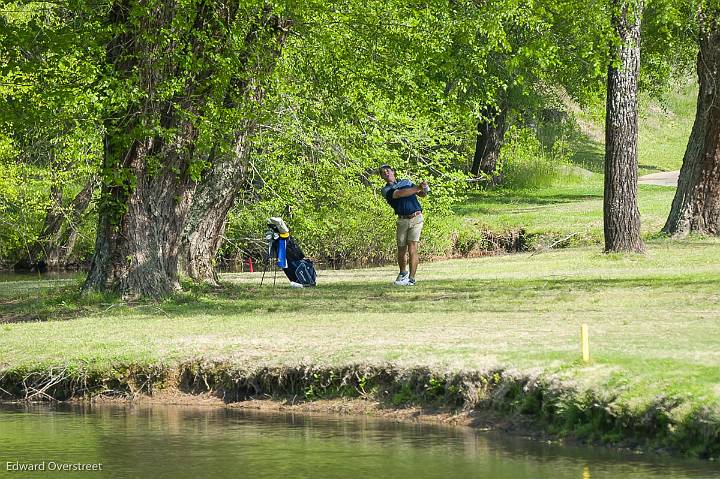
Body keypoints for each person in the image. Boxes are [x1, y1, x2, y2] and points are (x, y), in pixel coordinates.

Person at [379, 164, 428, 286]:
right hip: (402, 220)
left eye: (388, 171)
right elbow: (399, 194)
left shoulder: (406, 181)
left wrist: (424, 188)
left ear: (393, 172)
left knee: (412, 247)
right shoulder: (385, 190)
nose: (386, 173)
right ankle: (403, 273)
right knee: (401, 248)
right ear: (382, 177)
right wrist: (417, 187)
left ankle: (411, 278)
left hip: (416, 217)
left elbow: (421, 194)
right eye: (383, 172)